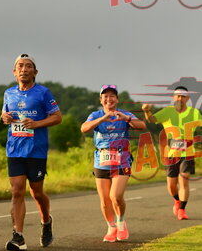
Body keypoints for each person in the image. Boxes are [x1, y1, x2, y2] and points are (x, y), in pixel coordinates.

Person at [1, 54, 62, 251]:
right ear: (14, 72)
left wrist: (37, 124)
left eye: (28, 66)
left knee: (37, 192)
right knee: (17, 190)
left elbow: (57, 117)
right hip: (14, 149)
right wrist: (4, 118)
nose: (24, 69)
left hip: (36, 150)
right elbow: (4, 115)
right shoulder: (9, 93)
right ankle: (18, 236)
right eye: (20, 66)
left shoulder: (43, 93)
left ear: (35, 72)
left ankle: (46, 221)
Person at [82, 85, 146, 242]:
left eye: (112, 96)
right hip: (102, 161)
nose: (109, 99)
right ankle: (111, 227)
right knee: (105, 200)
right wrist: (102, 119)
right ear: (101, 100)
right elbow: (84, 128)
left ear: (117, 99)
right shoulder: (95, 115)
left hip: (121, 160)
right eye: (105, 96)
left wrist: (127, 119)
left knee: (115, 196)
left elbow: (142, 126)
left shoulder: (125, 114)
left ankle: (121, 222)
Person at [142, 87, 202, 220]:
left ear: (187, 98)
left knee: (184, 180)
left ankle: (182, 210)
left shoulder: (194, 112)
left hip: (188, 153)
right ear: (174, 98)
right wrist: (146, 111)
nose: (180, 98)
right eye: (178, 96)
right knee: (171, 184)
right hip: (171, 153)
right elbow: (152, 120)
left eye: (183, 96)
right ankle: (177, 200)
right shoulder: (167, 111)